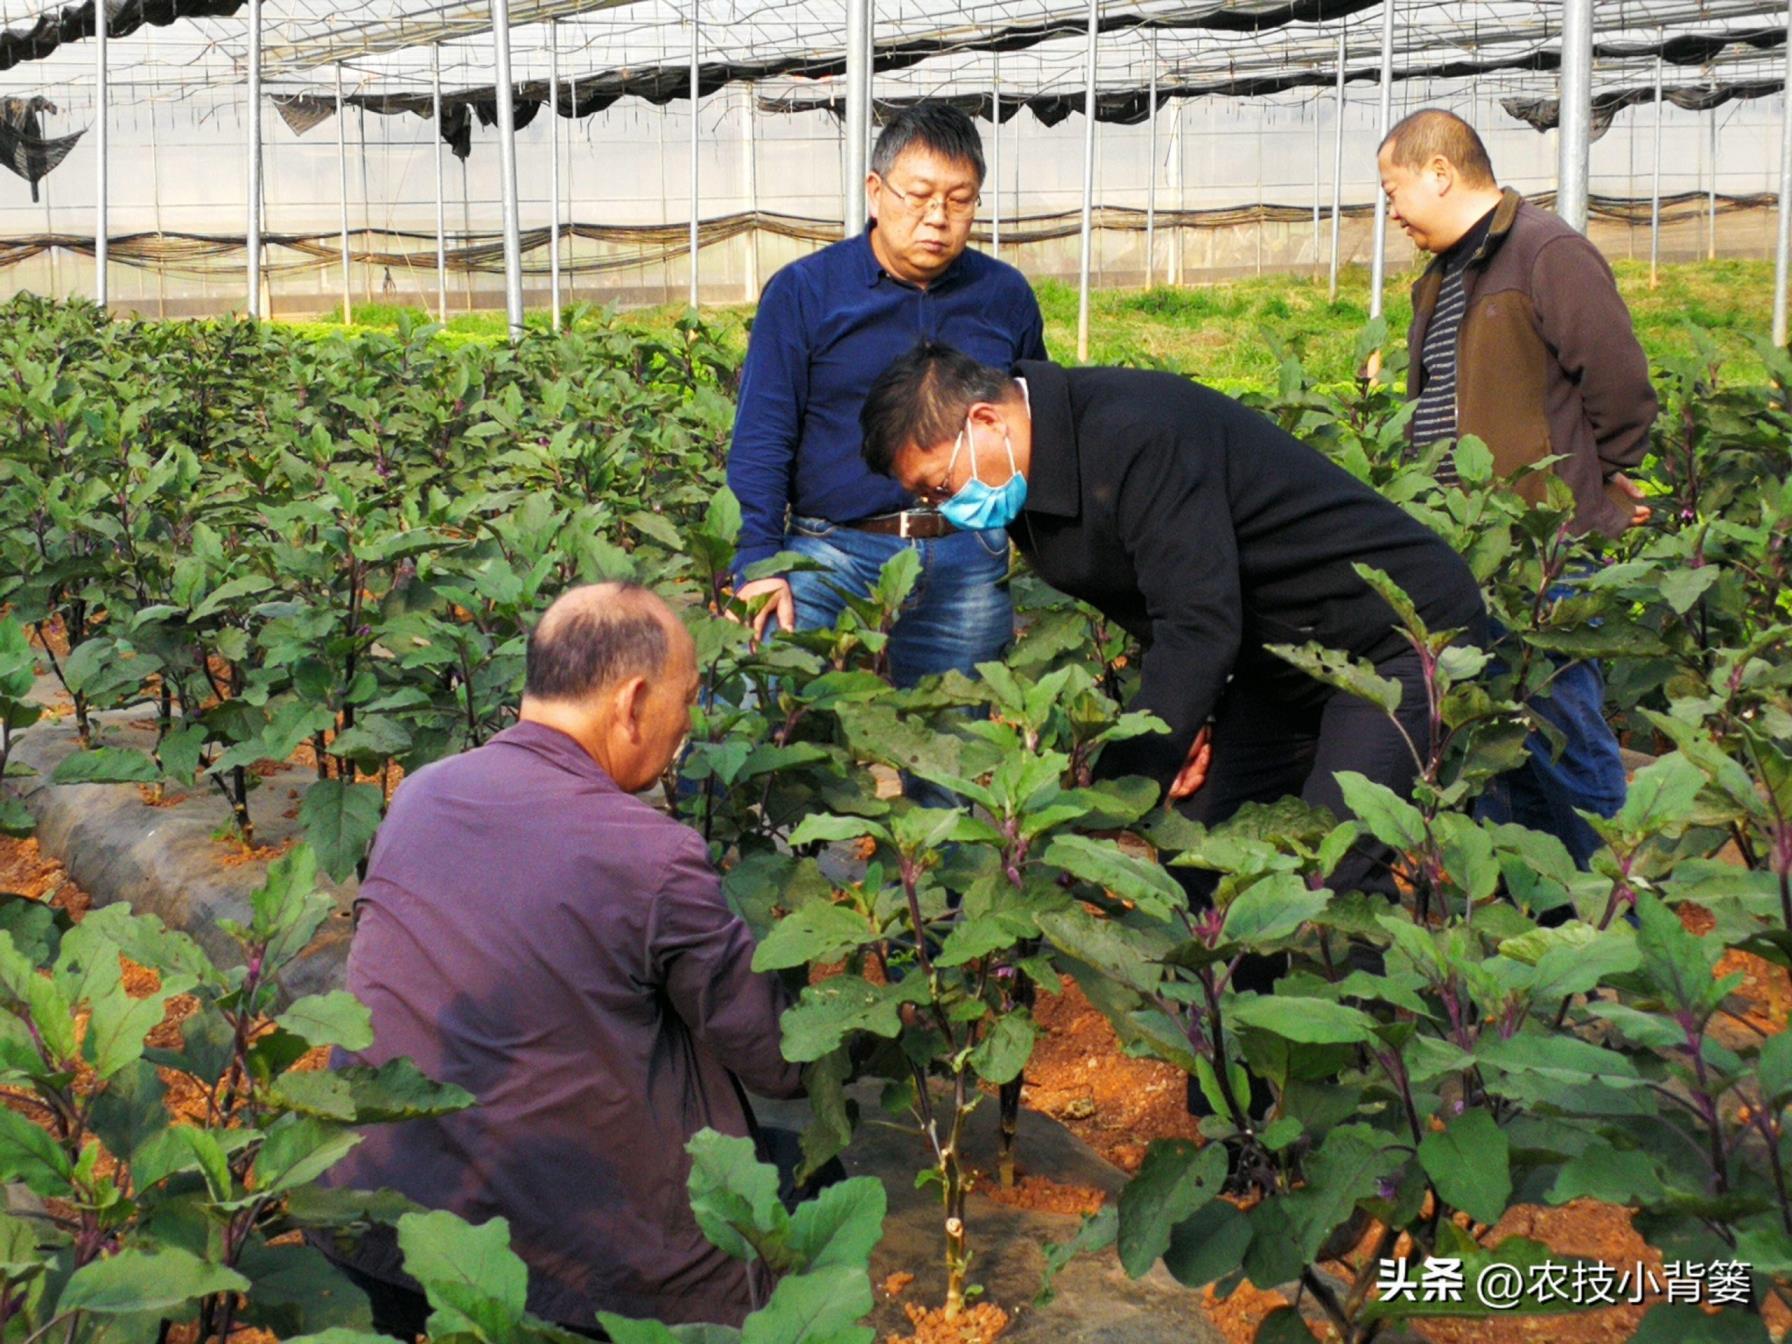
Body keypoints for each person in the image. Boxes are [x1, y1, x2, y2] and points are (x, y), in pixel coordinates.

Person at [317, 583, 804, 1336]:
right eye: (688, 697)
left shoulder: (420, 794)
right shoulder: (652, 854)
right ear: (632, 701)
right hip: (567, 1271)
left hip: (371, 1220)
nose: (688, 722)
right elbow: (780, 1057)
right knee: (788, 1191)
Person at [858, 342, 1488, 900]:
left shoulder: (1135, 433)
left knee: (1334, 870)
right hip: (1282, 662)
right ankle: (1237, 1027)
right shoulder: (1027, 474)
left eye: (938, 486)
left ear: (987, 421)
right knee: (1202, 849)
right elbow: (1169, 600)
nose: (945, 506)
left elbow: (1196, 621)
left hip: (1392, 640)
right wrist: (1193, 720)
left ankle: (1362, 1032)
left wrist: (1114, 790)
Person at [1378, 108, 1658, 865]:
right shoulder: (1440, 277)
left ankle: (1607, 905)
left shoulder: (1546, 251)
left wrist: (1607, 475)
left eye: (1392, 188)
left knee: (1564, 726)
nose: (1392, 210)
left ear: (1439, 172)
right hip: (1463, 543)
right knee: (1495, 733)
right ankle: (1532, 903)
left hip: (1542, 545)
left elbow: (1619, 378)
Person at [726, 102, 1045, 681]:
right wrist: (758, 562)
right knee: (763, 709)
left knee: (957, 750)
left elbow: (1033, 427)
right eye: (918, 196)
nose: (937, 217)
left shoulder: (1006, 297)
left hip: (968, 554)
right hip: (829, 554)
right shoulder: (805, 293)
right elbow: (764, 435)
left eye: (959, 199)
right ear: (876, 192)